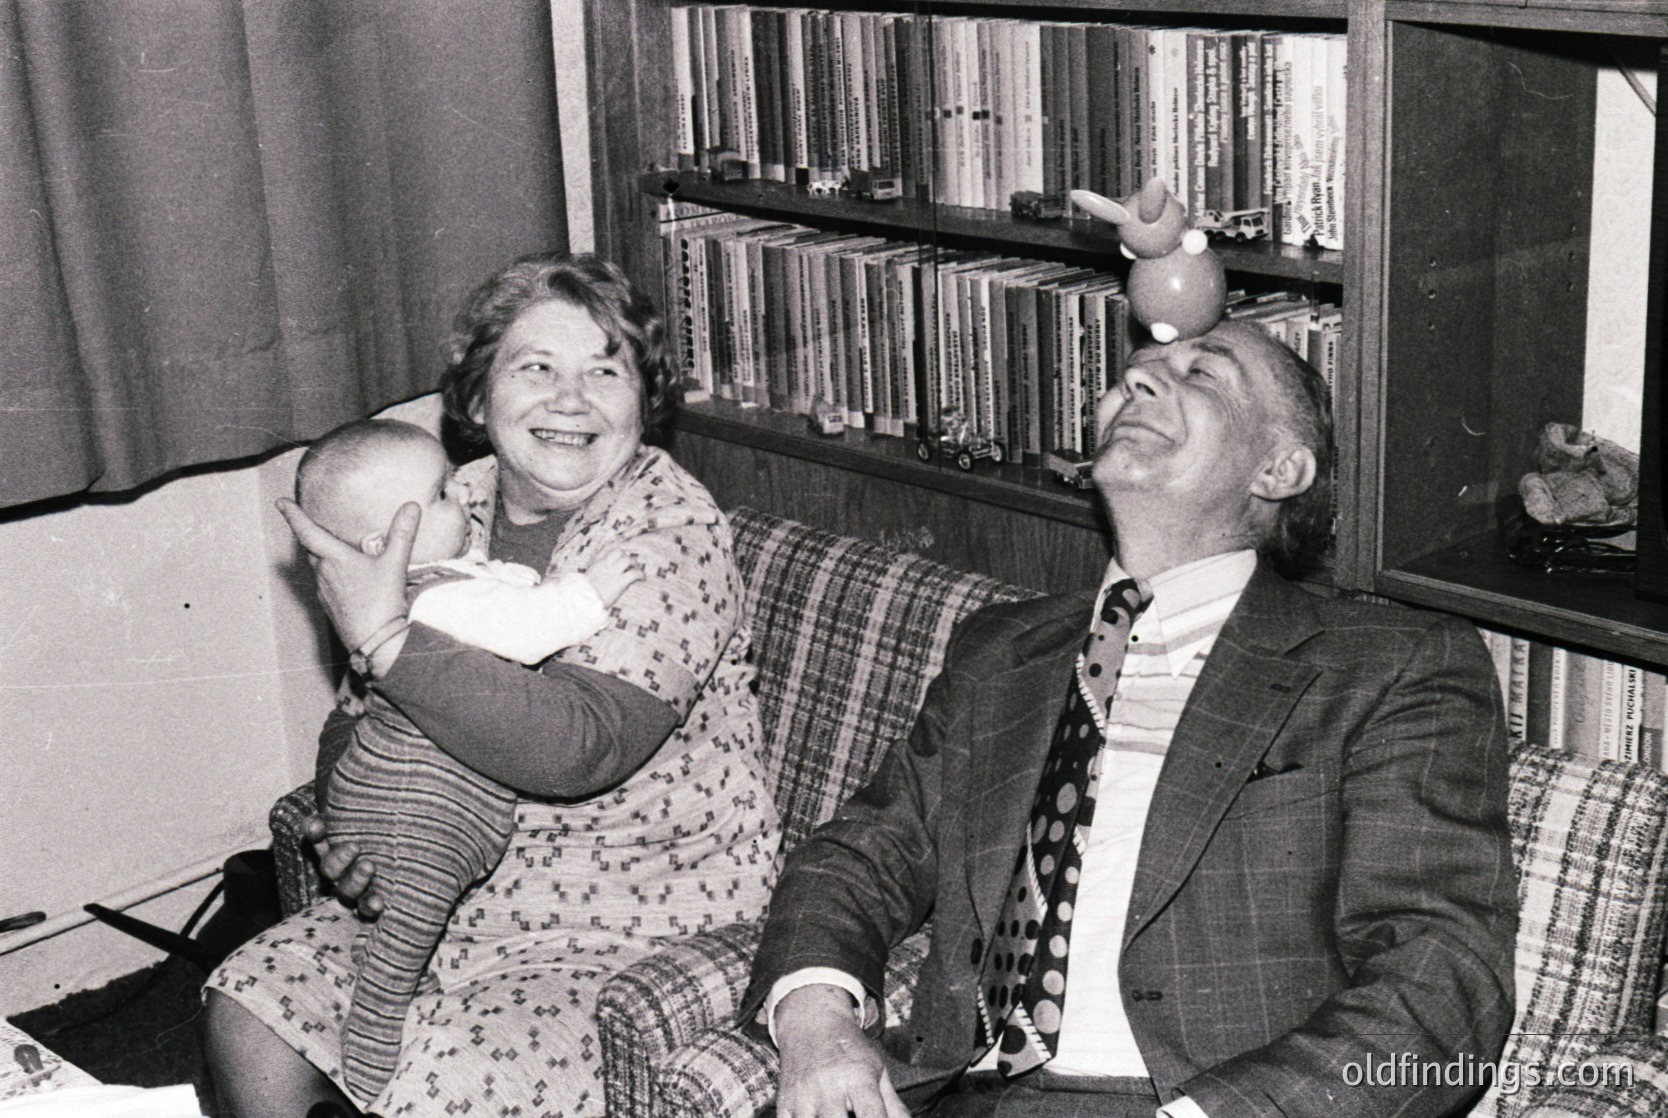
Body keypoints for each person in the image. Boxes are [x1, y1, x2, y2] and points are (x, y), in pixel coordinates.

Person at [744, 319, 1517, 1118]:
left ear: (1280, 467)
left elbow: (1444, 982)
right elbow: (862, 855)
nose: (1136, 383)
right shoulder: (1001, 649)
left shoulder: (1392, 662)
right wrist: (817, 1024)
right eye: (1135, 370)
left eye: (1204, 375)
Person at [205, 253, 781, 1118]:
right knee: (249, 1000)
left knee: (444, 1077)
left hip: (635, 916)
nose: (571, 399)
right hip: (450, 886)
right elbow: (358, 719)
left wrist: (387, 640)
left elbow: (582, 745)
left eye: (606, 370)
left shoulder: (667, 530)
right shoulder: (432, 501)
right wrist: (355, 829)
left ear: (644, 404)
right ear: (476, 401)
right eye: (536, 368)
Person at [291, 416, 642, 1104]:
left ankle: (400, 1006)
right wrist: (591, 592)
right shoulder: (438, 598)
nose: (465, 499)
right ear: (385, 543)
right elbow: (528, 626)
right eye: (444, 493)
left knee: (410, 925)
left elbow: (498, 587)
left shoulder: (436, 584)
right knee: (404, 935)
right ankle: (372, 1054)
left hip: (415, 800)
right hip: (416, 807)